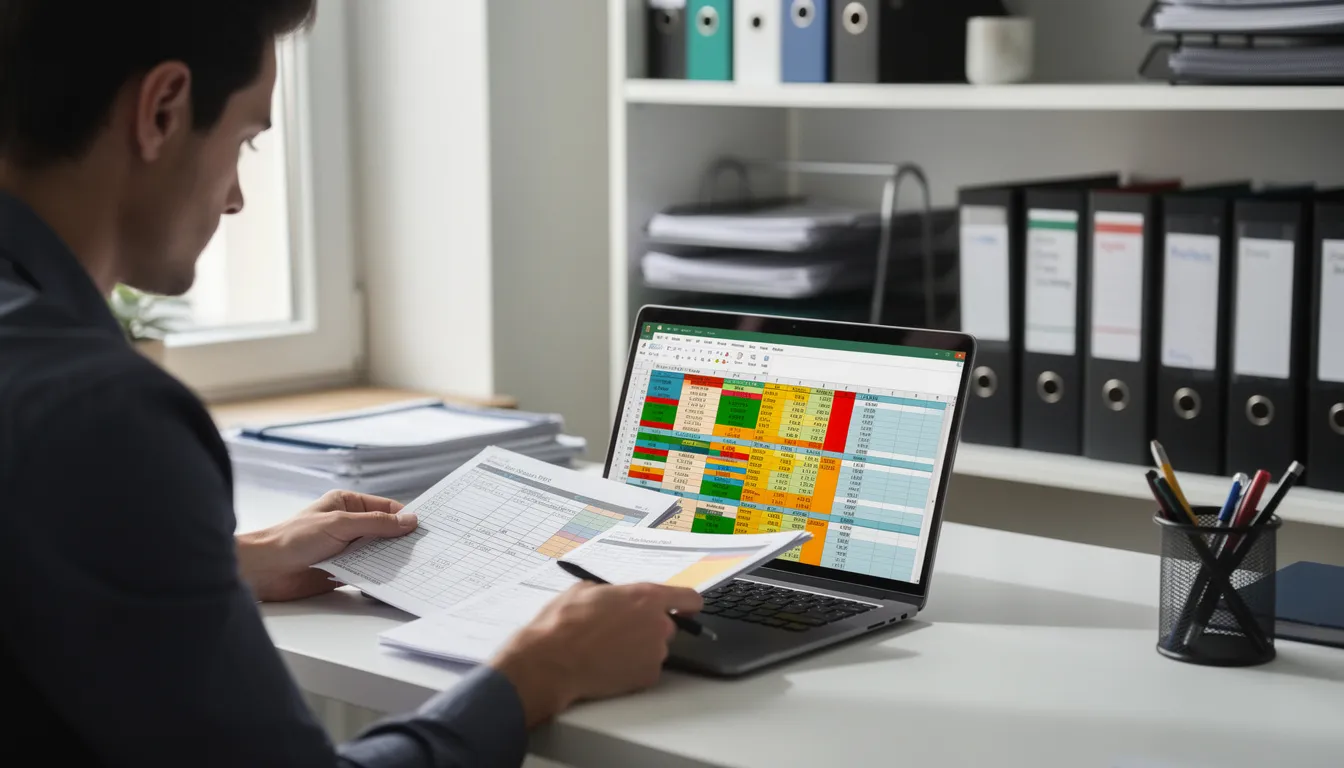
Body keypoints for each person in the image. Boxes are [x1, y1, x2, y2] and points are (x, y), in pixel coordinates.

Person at [0, 2, 702, 766]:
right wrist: (542, 669)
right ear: (162, 110)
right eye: (245, 140)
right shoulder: (97, 414)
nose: (235, 198)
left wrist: (232, 561)